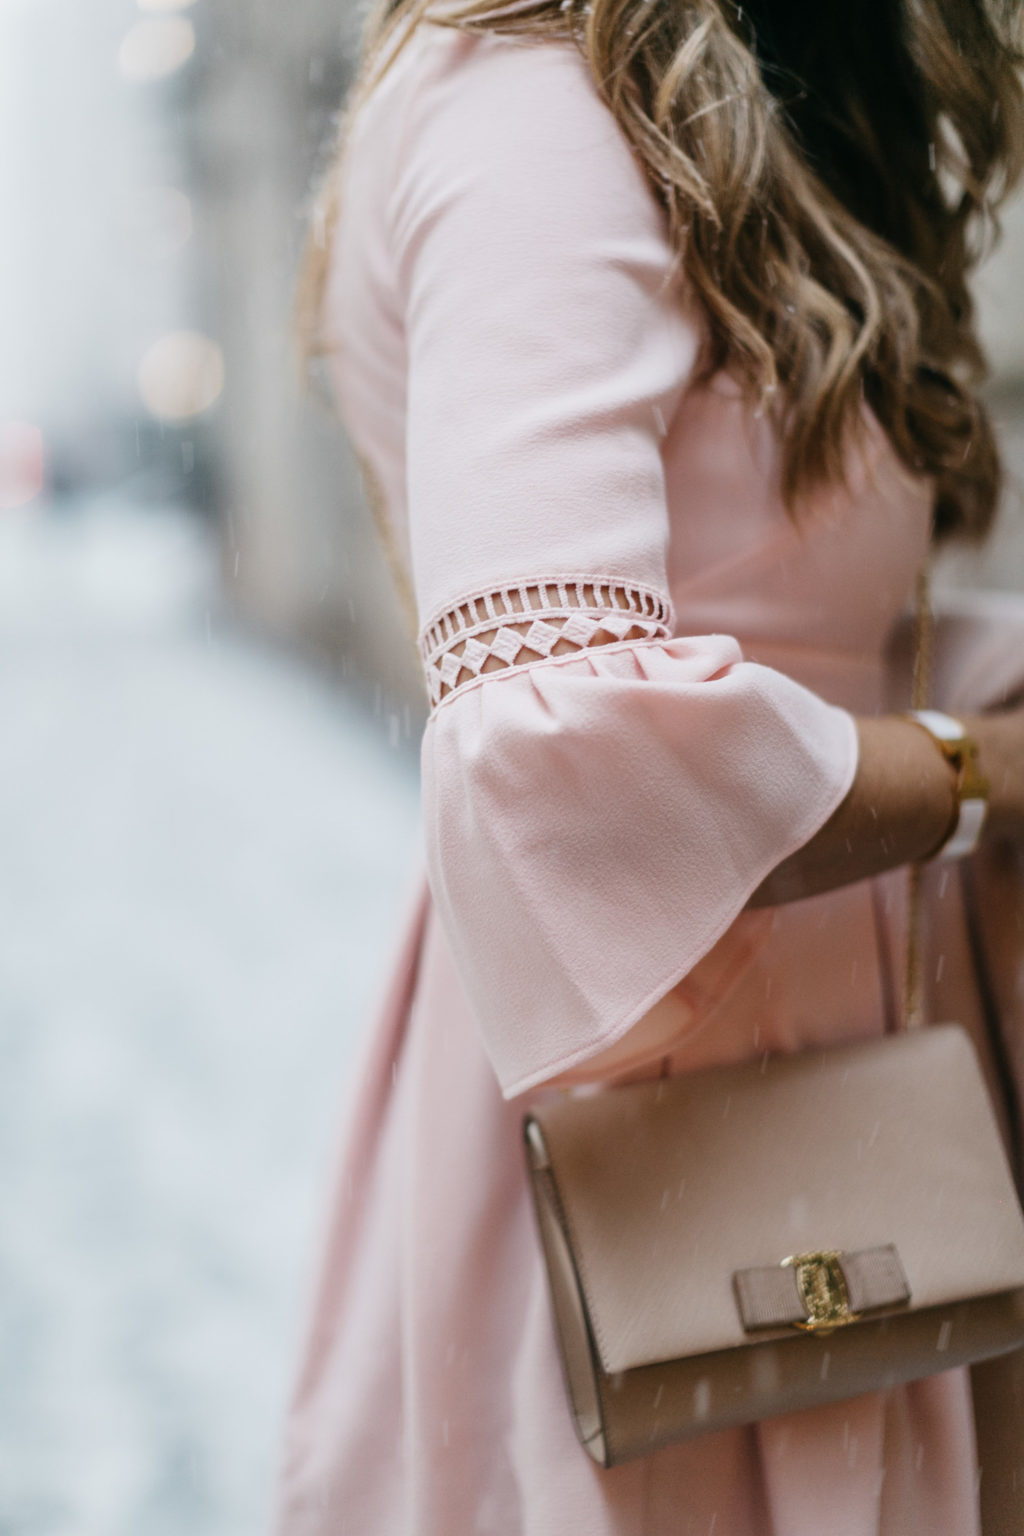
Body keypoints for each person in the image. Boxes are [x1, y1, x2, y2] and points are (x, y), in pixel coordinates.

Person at [275, 1, 1024, 1531]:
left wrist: (976, 680)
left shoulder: (682, 83)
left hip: (829, 1081)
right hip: (692, 1115)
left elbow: (768, 611)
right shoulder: (535, 104)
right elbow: (566, 746)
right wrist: (980, 774)